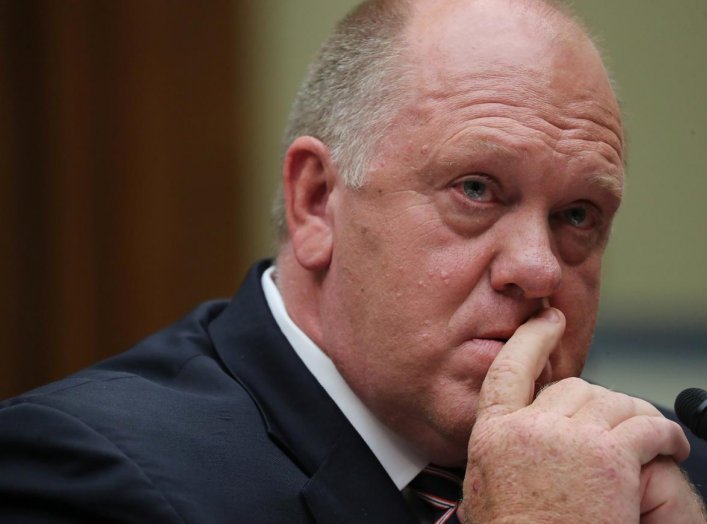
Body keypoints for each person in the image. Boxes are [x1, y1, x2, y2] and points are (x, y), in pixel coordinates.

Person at [1, 0, 705, 522]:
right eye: (475, 190)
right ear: (315, 203)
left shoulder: (661, 470)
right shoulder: (85, 471)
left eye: (576, 215)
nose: (539, 269)